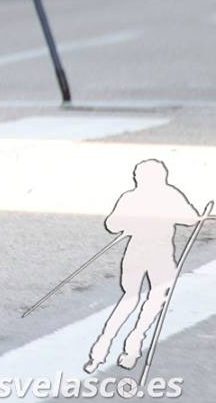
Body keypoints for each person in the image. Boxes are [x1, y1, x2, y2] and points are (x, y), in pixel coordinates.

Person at [87, 160, 211, 374]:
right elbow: (191, 219)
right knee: (157, 297)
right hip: (160, 255)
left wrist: (131, 223)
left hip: (137, 253)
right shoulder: (170, 194)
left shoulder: (130, 197)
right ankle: (132, 348)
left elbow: (112, 224)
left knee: (129, 299)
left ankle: (99, 352)